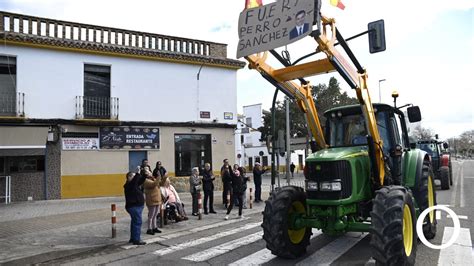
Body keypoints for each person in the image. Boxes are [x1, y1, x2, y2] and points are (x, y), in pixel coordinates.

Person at [124, 171, 146, 245]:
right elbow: (134, 181)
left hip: (137, 206)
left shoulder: (134, 184)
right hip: (134, 207)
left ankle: (133, 238)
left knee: (134, 222)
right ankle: (136, 239)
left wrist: (145, 174)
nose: (135, 178)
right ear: (129, 177)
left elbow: (140, 181)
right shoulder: (129, 185)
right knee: (137, 222)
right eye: (133, 176)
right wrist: (137, 173)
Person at [143, 168, 162, 235]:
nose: (150, 172)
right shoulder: (146, 180)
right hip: (151, 199)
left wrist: (162, 177)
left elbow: (159, 184)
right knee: (151, 215)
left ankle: (155, 227)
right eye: (147, 172)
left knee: (155, 215)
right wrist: (159, 176)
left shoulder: (153, 178)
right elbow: (154, 184)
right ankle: (149, 228)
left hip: (157, 199)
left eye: (149, 171)